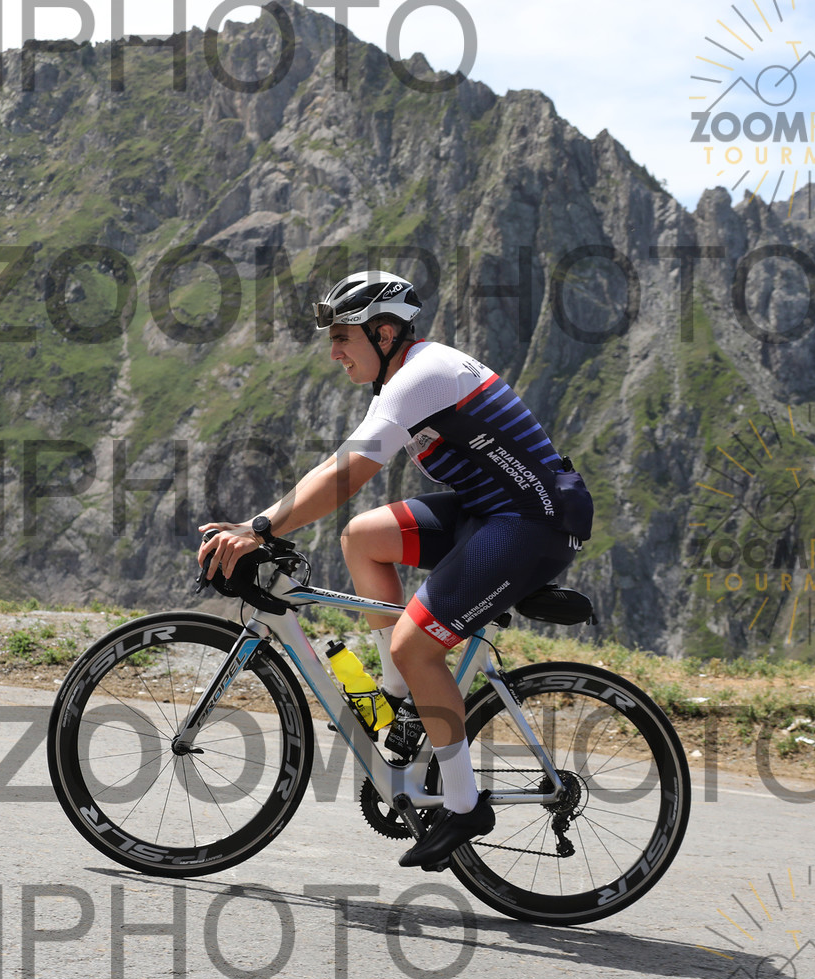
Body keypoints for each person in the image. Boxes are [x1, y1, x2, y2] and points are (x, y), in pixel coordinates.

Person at [197, 270, 592, 869]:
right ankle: (398, 700)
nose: (334, 352)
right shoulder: (402, 379)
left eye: (343, 337)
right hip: (490, 511)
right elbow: (339, 470)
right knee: (363, 538)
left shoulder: (421, 376)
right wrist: (265, 523)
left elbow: (346, 475)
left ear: (384, 334)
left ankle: (464, 806)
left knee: (416, 645)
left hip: (533, 521)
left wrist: (260, 529)